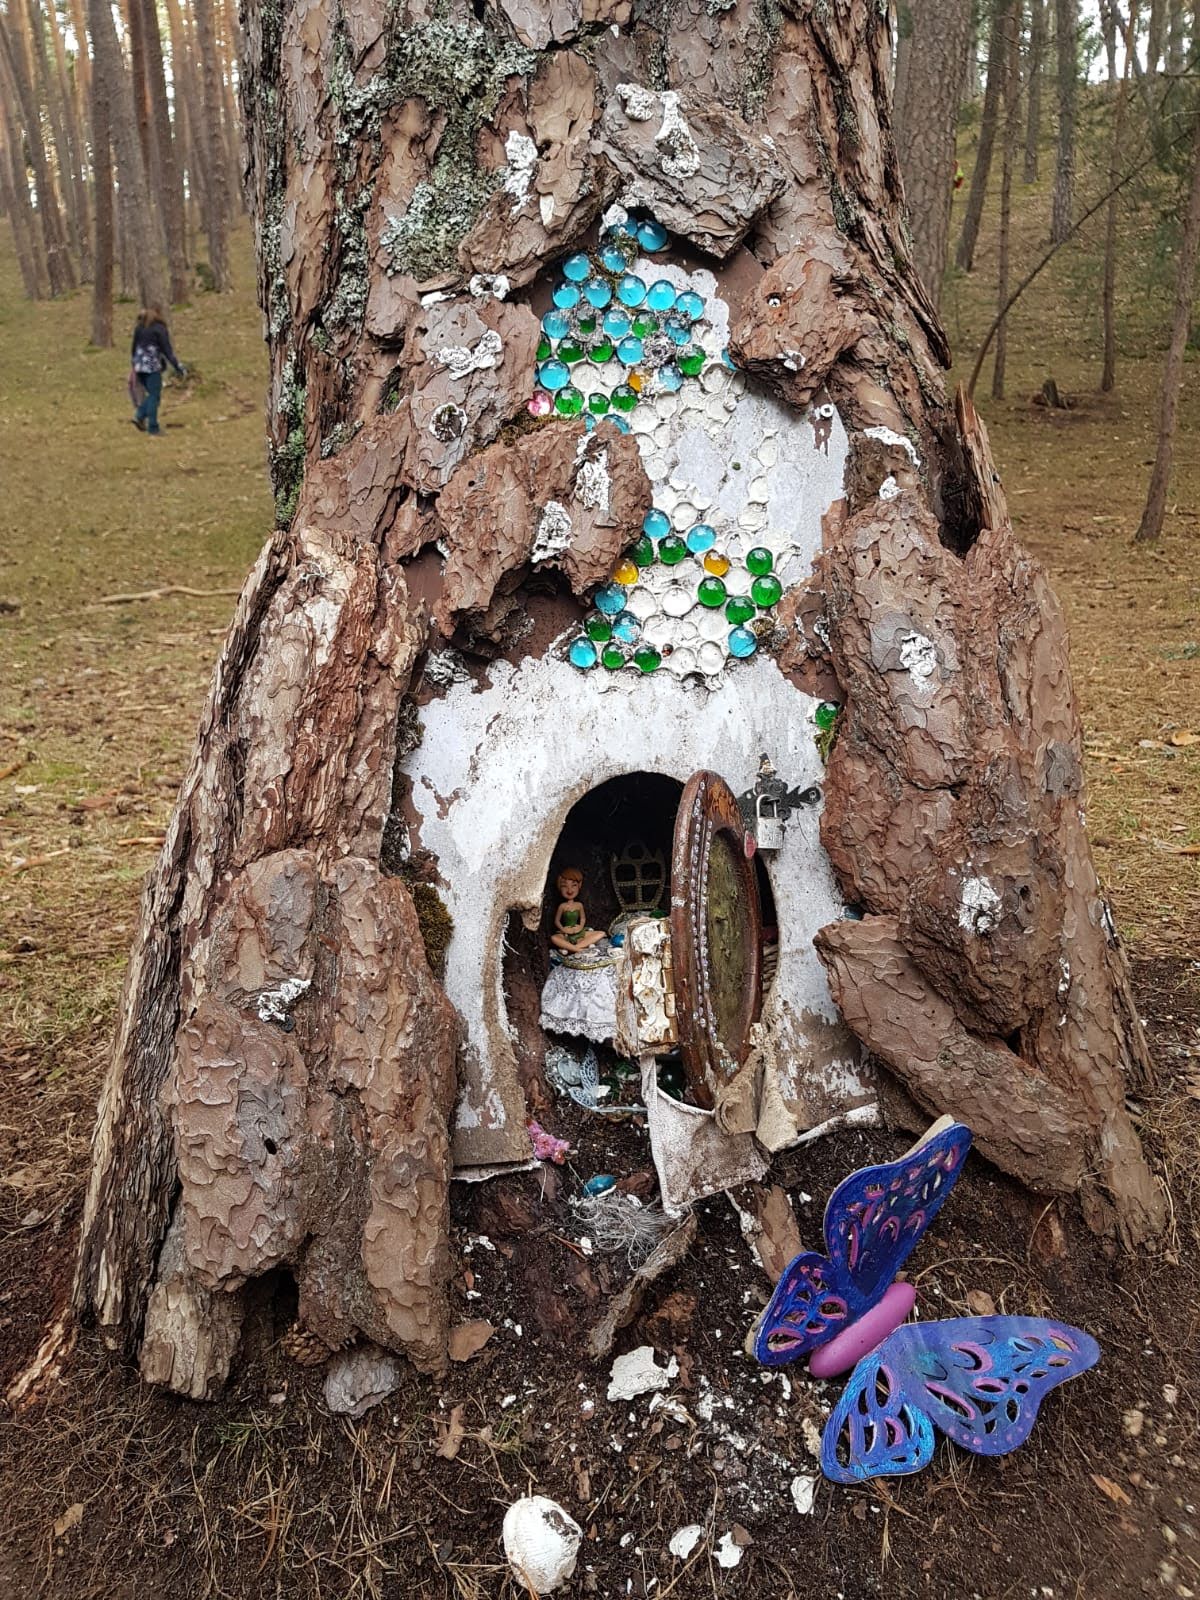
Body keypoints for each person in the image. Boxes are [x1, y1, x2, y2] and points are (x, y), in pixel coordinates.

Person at [130, 307, 186, 435]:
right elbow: (167, 351)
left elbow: (134, 348)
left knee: (152, 395)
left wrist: (134, 364)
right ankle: (151, 426)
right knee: (154, 395)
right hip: (150, 363)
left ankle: (140, 416)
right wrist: (178, 366)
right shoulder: (159, 329)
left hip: (139, 363)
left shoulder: (140, 328)